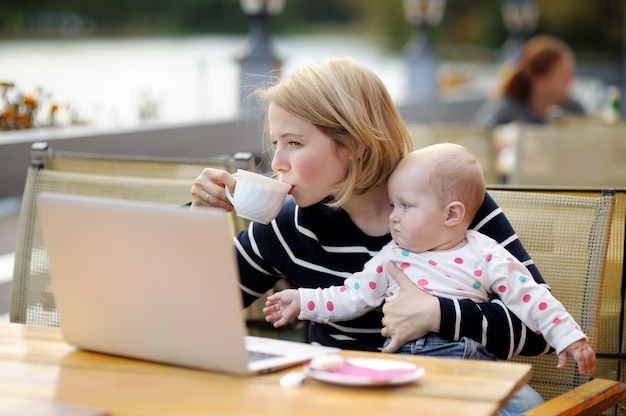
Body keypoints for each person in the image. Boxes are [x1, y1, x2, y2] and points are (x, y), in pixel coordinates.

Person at [191, 57, 545, 414]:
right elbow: (194, 311)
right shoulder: (289, 224)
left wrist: (439, 314)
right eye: (276, 143)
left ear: (355, 144)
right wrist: (198, 221)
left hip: (444, 393)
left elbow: (539, 332)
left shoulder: (450, 206)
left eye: (294, 143)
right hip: (333, 399)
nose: (277, 162)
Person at [263, 143, 596, 375]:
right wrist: (303, 300)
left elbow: (532, 298)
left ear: (452, 214)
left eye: (405, 206)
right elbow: (352, 295)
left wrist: (568, 336)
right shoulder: (392, 256)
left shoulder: (485, 252)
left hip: (464, 361)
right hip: (401, 365)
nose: (392, 217)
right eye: (393, 205)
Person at [475, 35, 586, 127]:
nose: (571, 79)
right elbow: (478, 140)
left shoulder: (573, 112)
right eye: (563, 74)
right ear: (539, 81)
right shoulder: (506, 113)